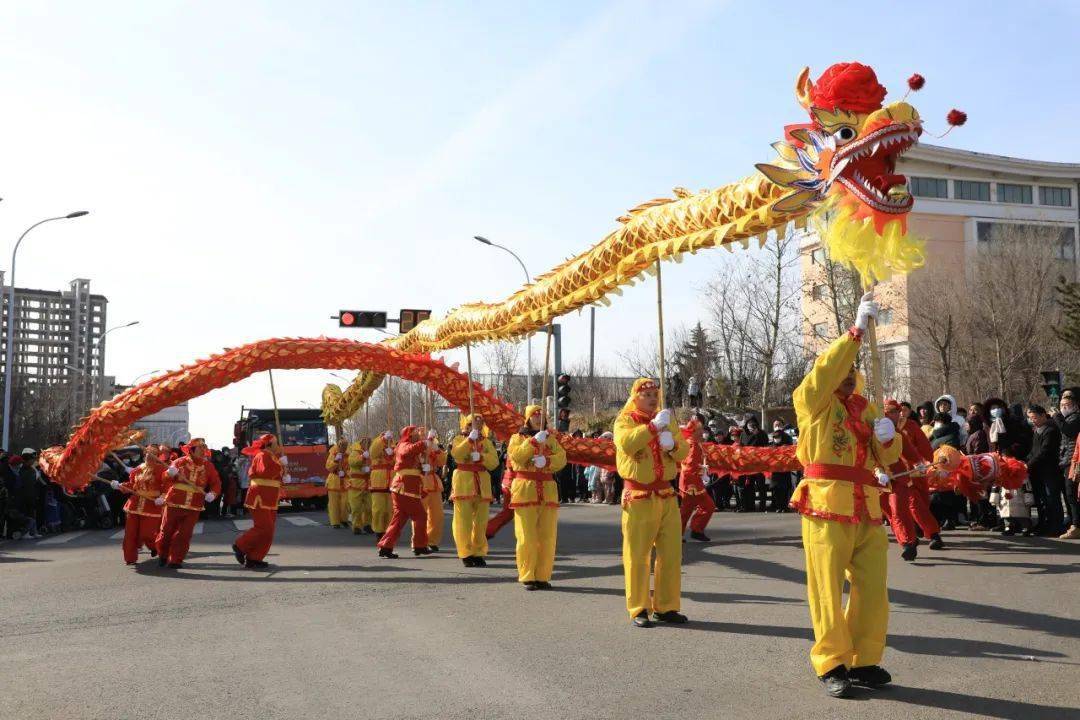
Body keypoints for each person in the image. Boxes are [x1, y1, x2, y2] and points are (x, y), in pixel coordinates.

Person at [789, 292, 900, 698]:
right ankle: (831, 661)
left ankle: (865, 658)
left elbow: (885, 460)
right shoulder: (812, 403)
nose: (849, 374)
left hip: (866, 506)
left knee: (873, 588)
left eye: (854, 370)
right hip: (824, 503)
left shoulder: (867, 410)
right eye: (843, 369)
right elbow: (823, 373)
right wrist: (855, 331)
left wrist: (889, 439)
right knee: (826, 587)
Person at [614, 379, 690, 627]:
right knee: (637, 556)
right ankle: (638, 608)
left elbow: (684, 452)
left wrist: (673, 445)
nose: (652, 398)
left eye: (654, 393)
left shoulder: (666, 419)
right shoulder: (625, 420)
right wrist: (653, 429)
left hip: (666, 495)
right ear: (635, 397)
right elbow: (626, 443)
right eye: (645, 394)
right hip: (638, 497)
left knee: (671, 555)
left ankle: (666, 607)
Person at [507, 405, 567, 590]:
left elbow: (562, 458)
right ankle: (527, 575)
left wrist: (548, 461)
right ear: (527, 418)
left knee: (548, 537)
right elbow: (516, 457)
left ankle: (542, 575)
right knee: (526, 536)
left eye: (542, 416)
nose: (539, 418)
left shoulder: (551, 439)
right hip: (525, 489)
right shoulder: (517, 438)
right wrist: (532, 442)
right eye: (535, 415)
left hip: (547, 489)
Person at [156, 438, 222, 569]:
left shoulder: (208, 466)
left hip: (194, 504)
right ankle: (163, 554)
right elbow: (165, 478)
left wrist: (213, 494)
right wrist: (170, 473)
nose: (203, 450)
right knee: (166, 531)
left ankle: (176, 559)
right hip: (174, 501)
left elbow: (216, 483)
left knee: (184, 534)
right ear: (191, 450)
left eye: (204, 447)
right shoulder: (179, 462)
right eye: (200, 447)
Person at [450, 413, 499, 567]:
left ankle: (478, 552)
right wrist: (469, 440)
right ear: (468, 425)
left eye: (479, 422)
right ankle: (465, 552)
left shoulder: (487, 442)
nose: (477, 425)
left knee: (481, 521)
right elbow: (456, 454)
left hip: (482, 482)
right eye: (473, 423)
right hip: (464, 481)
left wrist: (482, 457)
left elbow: (494, 462)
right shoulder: (459, 439)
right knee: (463, 521)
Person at [232, 433, 287, 569]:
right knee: (264, 528)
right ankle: (240, 545)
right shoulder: (262, 455)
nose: (278, 446)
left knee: (269, 531)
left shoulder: (273, 457)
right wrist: (281, 465)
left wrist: (283, 477)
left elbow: (273, 476)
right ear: (269, 444)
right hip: (260, 497)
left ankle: (254, 558)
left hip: (271, 498)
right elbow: (265, 472)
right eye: (276, 443)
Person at [376, 426, 431, 559]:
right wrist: (424, 443)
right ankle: (419, 545)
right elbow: (408, 451)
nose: (418, 434)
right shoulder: (403, 444)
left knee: (399, 519)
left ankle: (385, 546)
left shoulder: (411, 447)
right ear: (410, 434)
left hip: (406, 487)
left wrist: (424, 468)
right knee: (420, 516)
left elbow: (413, 463)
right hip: (405, 487)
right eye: (416, 432)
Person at [110, 443, 167, 565]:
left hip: (152, 505)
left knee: (147, 534)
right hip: (134, 504)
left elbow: (167, 487)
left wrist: (162, 497)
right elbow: (132, 486)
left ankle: (157, 549)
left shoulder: (162, 470)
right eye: (147, 453)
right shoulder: (138, 469)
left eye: (152, 454)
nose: (149, 456)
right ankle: (130, 558)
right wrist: (120, 486)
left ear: (157, 456)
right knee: (130, 534)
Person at [1026, 405, 1064, 537]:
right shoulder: (1037, 430)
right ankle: (1044, 524)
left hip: (1050, 470)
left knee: (1052, 499)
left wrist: (1028, 465)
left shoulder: (1051, 429)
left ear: (1043, 415)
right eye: (1030, 418)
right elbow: (1033, 451)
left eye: (1035, 417)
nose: (1033, 420)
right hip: (1037, 471)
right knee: (1042, 500)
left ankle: (1057, 526)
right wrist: (1025, 462)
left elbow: (1045, 451)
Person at [678, 417, 715, 542]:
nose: (702, 431)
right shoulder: (692, 445)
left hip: (690, 482)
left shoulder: (693, 442)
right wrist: (701, 474)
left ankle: (683, 532)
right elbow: (689, 467)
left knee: (687, 510)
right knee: (707, 506)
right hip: (691, 483)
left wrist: (702, 469)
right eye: (699, 429)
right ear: (694, 431)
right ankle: (695, 530)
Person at [1054, 390, 1080, 539]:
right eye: (1062, 405)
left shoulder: (1075, 418)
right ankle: (1074, 522)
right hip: (1066, 459)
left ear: (1075, 405)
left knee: (1072, 493)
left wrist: (1057, 417)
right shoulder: (1066, 418)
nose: (1064, 407)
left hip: (1074, 460)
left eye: (1067, 405)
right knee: (1069, 494)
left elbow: (1068, 431)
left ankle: (1076, 525)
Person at [419, 429, 447, 552]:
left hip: (433, 481)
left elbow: (442, 461)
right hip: (421, 481)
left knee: (437, 515)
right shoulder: (415, 446)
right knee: (421, 515)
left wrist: (436, 448)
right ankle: (419, 541)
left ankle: (432, 540)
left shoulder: (433, 445)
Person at [368, 430, 395, 538]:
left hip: (391, 481)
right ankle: (379, 530)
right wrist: (383, 439)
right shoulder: (377, 443)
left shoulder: (393, 446)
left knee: (390, 509)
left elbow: (399, 459)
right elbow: (373, 452)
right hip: (378, 481)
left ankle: (389, 530)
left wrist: (393, 454)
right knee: (378, 509)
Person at [346, 437, 373, 535]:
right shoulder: (354, 452)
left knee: (369, 507)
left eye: (369, 443)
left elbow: (374, 464)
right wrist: (362, 457)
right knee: (356, 508)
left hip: (367, 484)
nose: (368, 444)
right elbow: (353, 462)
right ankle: (356, 526)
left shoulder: (369, 454)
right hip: (355, 485)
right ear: (362, 443)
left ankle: (367, 525)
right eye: (366, 443)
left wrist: (370, 469)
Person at [768, 421, 795, 511]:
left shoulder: (787, 442)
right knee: (776, 490)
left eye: (778, 437)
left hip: (784, 471)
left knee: (784, 490)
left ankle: (784, 507)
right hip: (775, 472)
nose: (776, 439)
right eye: (775, 437)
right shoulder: (771, 446)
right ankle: (778, 506)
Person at [324, 437, 350, 528]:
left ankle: (344, 519)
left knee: (345, 502)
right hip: (334, 480)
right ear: (339, 446)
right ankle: (335, 522)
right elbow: (328, 466)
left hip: (344, 481)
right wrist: (335, 461)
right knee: (334, 503)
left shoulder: (348, 454)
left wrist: (346, 472)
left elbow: (351, 467)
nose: (344, 448)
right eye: (343, 446)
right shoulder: (333, 453)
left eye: (345, 446)